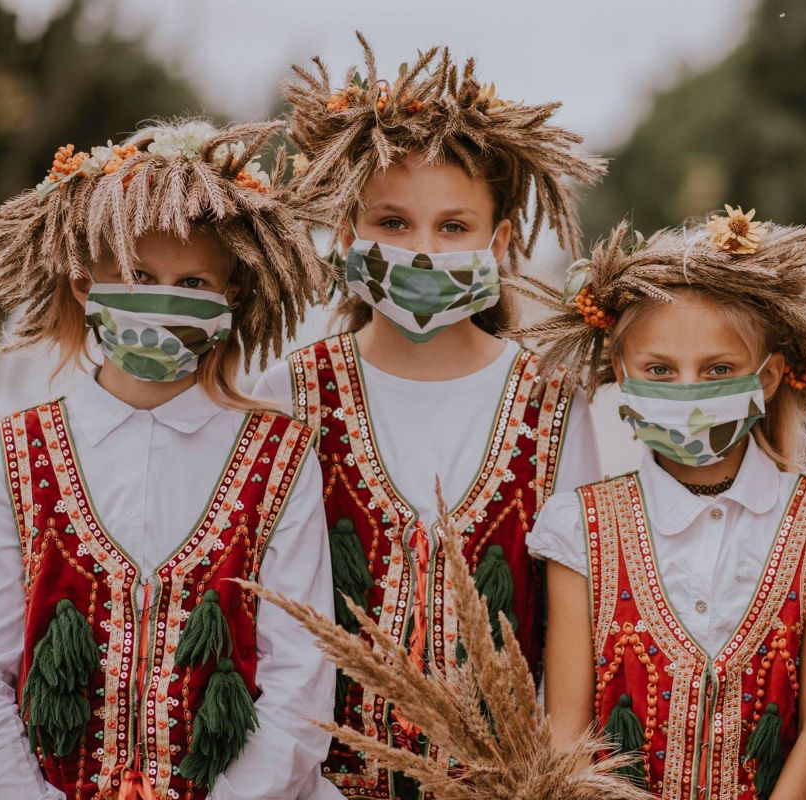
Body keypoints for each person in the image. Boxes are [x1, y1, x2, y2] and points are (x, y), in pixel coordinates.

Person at [251, 37, 605, 799]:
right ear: (346, 234)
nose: (420, 251)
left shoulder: (552, 404)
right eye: (392, 223)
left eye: (452, 228)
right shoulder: (292, 395)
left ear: (498, 244)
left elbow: (575, 628)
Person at [0, 119, 335, 799]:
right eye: (139, 275)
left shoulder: (281, 457)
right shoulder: (15, 453)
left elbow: (302, 677)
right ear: (85, 283)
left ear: (233, 296)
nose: (164, 300)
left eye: (194, 283)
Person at [522, 208, 806, 799]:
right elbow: (567, 740)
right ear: (622, 377)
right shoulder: (579, 527)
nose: (688, 393)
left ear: (767, 378)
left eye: (717, 370)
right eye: (660, 370)